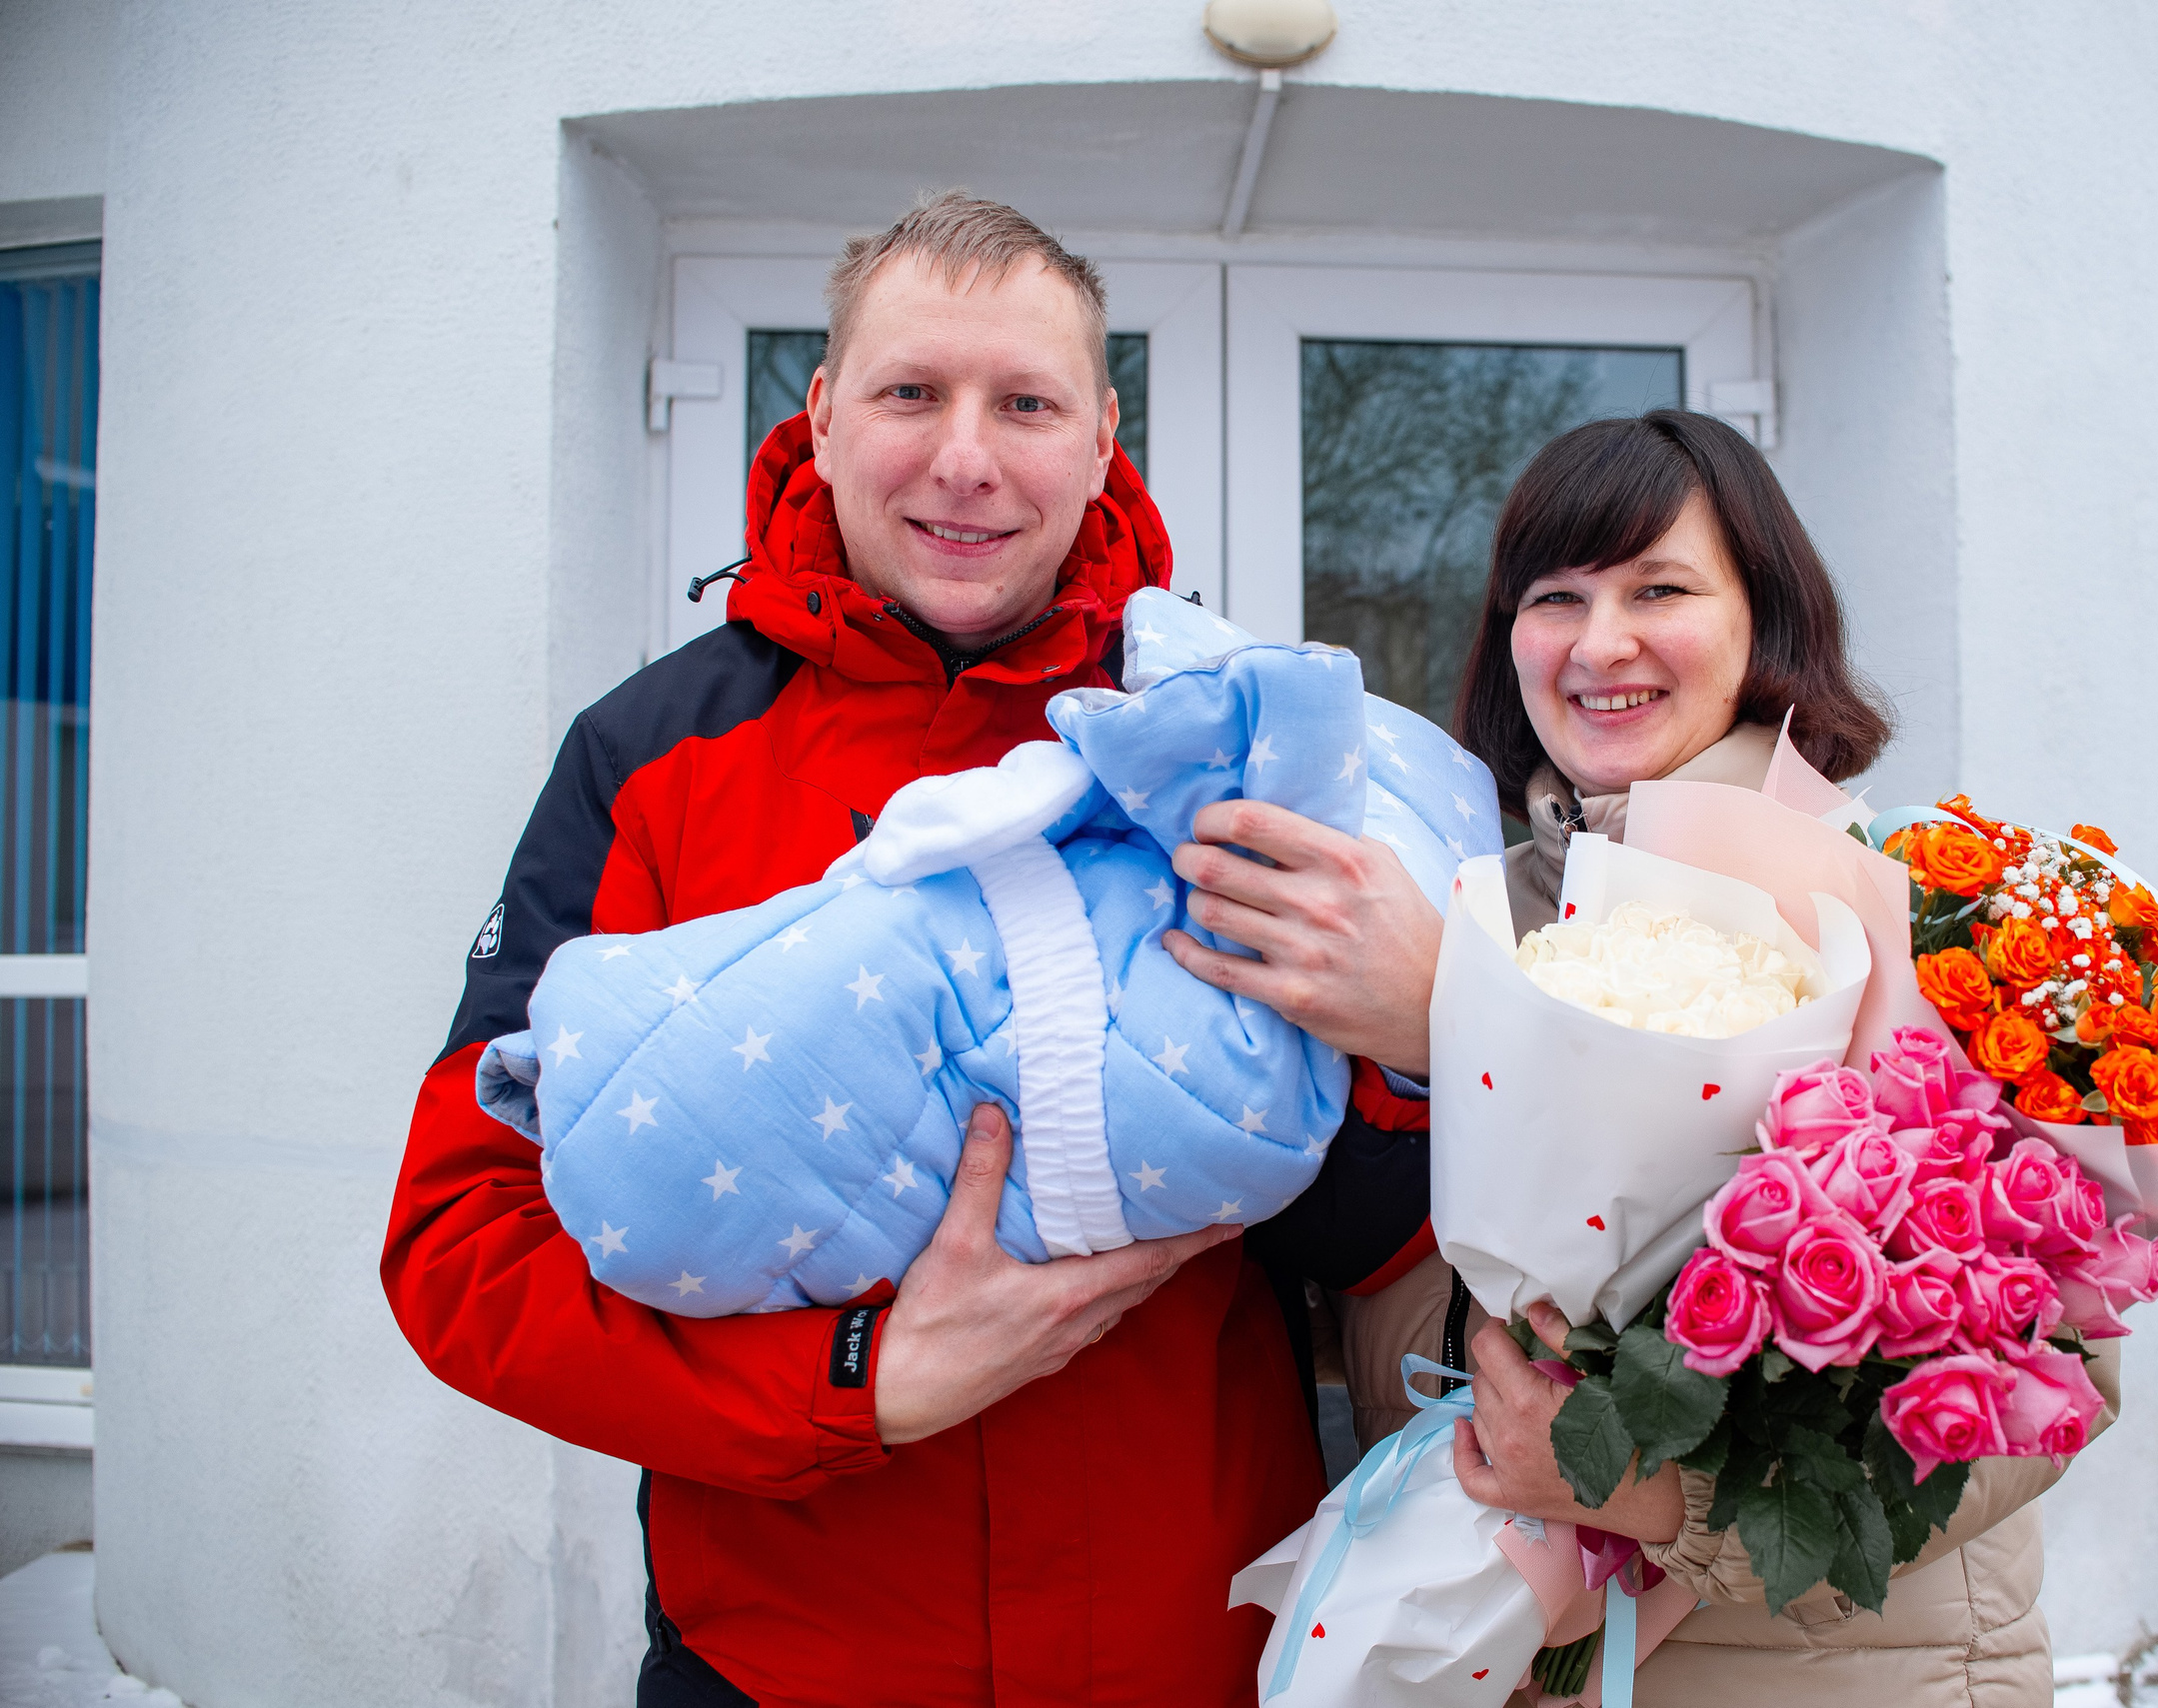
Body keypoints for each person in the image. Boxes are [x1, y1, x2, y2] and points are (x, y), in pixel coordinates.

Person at [380, 193, 1431, 1708]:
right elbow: (463, 1245)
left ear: (1100, 433)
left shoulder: (1228, 726)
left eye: (1025, 402)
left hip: (1195, 1661)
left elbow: (1381, 1224)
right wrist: (857, 1381)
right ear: (818, 412)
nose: (965, 458)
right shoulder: (649, 757)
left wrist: (1419, 1027)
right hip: (784, 1670)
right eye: (910, 393)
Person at [1169, 409, 2121, 1704]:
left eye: (1658, 588)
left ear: (1763, 620)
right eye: (1554, 596)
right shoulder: (1467, 908)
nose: (1599, 641)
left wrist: (1663, 1493)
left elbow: (2051, 1382)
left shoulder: (1911, 907)